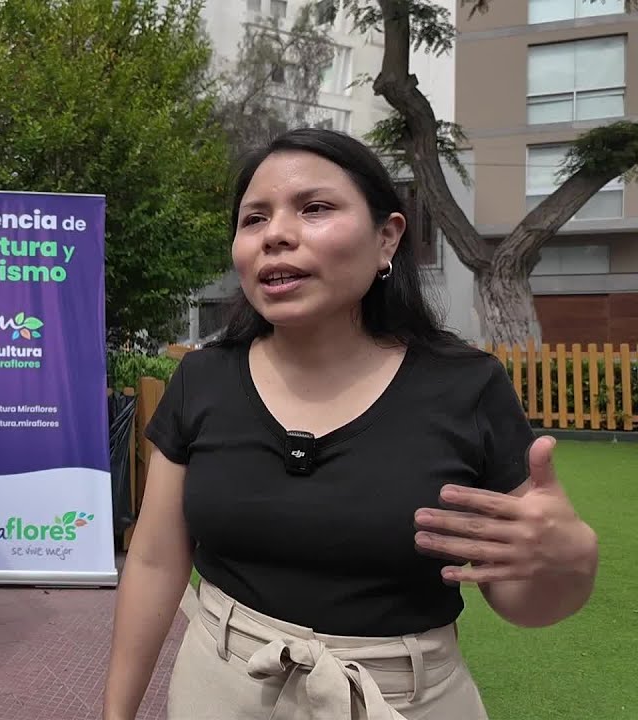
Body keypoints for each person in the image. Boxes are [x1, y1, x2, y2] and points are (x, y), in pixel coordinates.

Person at [102, 128, 600, 719]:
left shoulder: (465, 387)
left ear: (387, 238)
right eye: (254, 219)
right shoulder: (202, 379)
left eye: (314, 209)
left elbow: (523, 600)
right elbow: (156, 562)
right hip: (219, 686)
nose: (277, 234)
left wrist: (570, 561)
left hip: (405, 700)